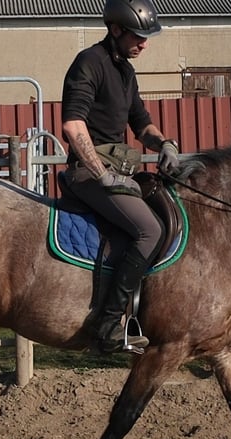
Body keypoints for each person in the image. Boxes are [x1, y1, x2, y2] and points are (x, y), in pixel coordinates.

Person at [61, 0, 180, 353]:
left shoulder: (126, 72)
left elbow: (142, 125)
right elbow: (73, 125)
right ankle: (109, 324)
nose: (144, 44)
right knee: (150, 230)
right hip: (88, 174)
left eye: (147, 37)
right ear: (115, 30)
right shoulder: (89, 62)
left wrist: (165, 144)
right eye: (138, 36)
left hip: (118, 173)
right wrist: (102, 175)